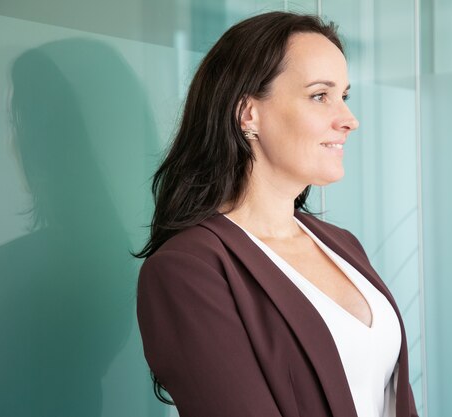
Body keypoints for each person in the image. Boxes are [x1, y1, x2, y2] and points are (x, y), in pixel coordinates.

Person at [135, 11, 419, 417]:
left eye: (344, 96)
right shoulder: (189, 269)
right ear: (248, 113)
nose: (349, 120)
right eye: (320, 96)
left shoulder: (342, 244)